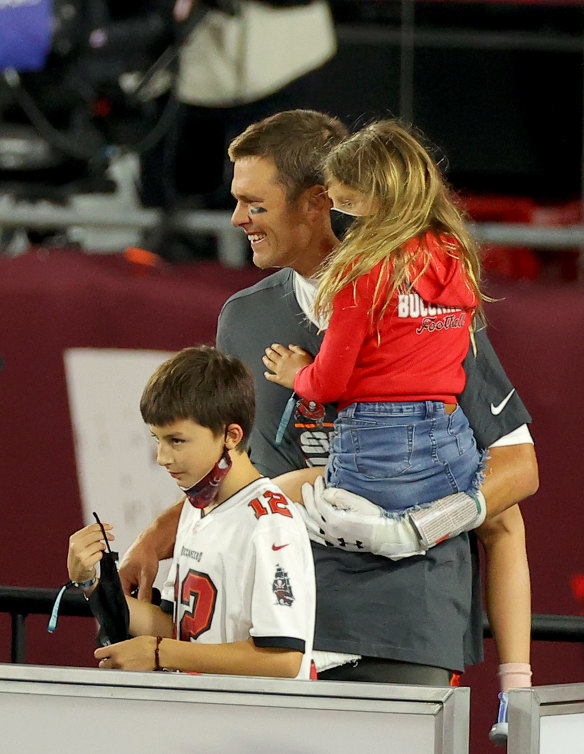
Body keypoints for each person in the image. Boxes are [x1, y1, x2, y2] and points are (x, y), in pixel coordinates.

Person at [119, 111, 538, 707]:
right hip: (273, 627)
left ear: (320, 202)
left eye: (255, 204)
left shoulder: (422, 296)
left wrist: (414, 527)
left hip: (400, 628)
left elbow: (517, 472)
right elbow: (246, 472)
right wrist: (157, 534)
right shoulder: (243, 319)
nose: (237, 219)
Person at [263, 119, 485, 519]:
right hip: (454, 447)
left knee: (262, 502)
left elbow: (327, 383)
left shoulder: (364, 270)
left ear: (379, 199)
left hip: (375, 447)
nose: (337, 215)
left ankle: (392, 532)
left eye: (345, 203)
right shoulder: (457, 256)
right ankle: (419, 527)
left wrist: (296, 373)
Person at [67, 346, 315, 678]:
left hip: (253, 725)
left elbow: (283, 660)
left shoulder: (271, 524)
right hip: (199, 718)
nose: (162, 457)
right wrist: (91, 582)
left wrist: (158, 653)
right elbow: (179, 629)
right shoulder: (195, 509)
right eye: (156, 439)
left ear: (231, 435)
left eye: (177, 441)